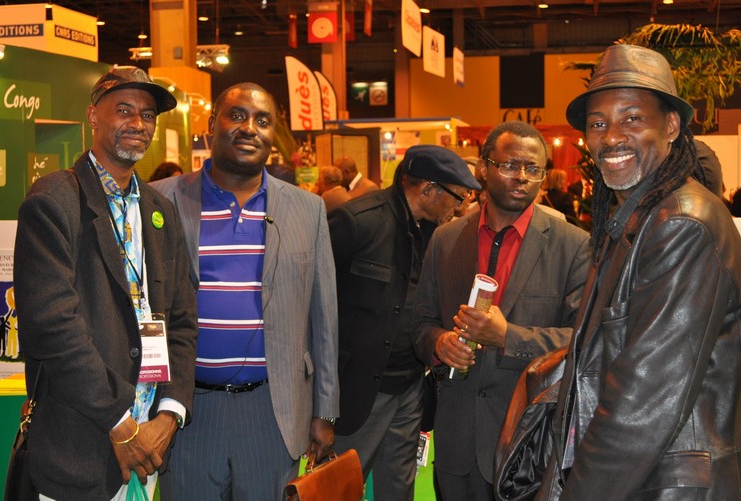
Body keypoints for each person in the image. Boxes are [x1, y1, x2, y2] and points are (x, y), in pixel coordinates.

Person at [539, 43, 741, 499]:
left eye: (632, 118)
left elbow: (643, 398)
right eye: (598, 124)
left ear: (672, 125)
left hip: (669, 485)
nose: (612, 136)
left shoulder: (681, 223)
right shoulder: (634, 219)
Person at [13, 66, 198, 500]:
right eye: (125, 110)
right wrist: (123, 424)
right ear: (93, 116)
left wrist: (168, 417)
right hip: (81, 449)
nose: (139, 124)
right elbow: (54, 329)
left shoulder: (160, 210)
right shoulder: (53, 201)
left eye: (149, 115)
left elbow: (182, 321)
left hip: (152, 448)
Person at [151, 82, 339, 500]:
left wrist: (325, 410)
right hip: (185, 410)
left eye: (262, 120)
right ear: (210, 125)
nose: (249, 128)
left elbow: (323, 317)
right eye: (236, 115)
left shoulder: (307, 209)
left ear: (274, 135)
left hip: (273, 412)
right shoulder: (161, 200)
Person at [412, 121, 591, 500]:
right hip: (457, 439)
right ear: (483, 167)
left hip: (530, 441)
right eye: (510, 165)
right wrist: (439, 342)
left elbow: (585, 340)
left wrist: (507, 337)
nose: (522, 177)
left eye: (533, 169)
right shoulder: (445, 240)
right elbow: (420, 322)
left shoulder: (573, 246)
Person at [329, 145, 481, 500]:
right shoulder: (357, 220)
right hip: (356, 391)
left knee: (399, 489)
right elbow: (313, 303)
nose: (458, 207)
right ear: (428, 189)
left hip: (411, 385)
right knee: (340, 489)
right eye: (456, 197)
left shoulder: (439, 234)